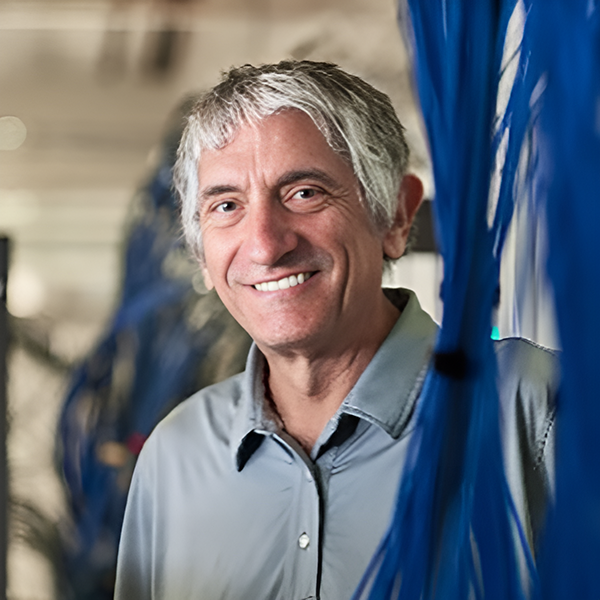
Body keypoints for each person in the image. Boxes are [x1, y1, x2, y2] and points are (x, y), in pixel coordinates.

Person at [115, 60, 558, 600]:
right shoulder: (175, 457)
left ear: (396, 217)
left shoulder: (535, 408)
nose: (264, 245)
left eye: (304, 192)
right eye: (226, 206)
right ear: (203, 258)